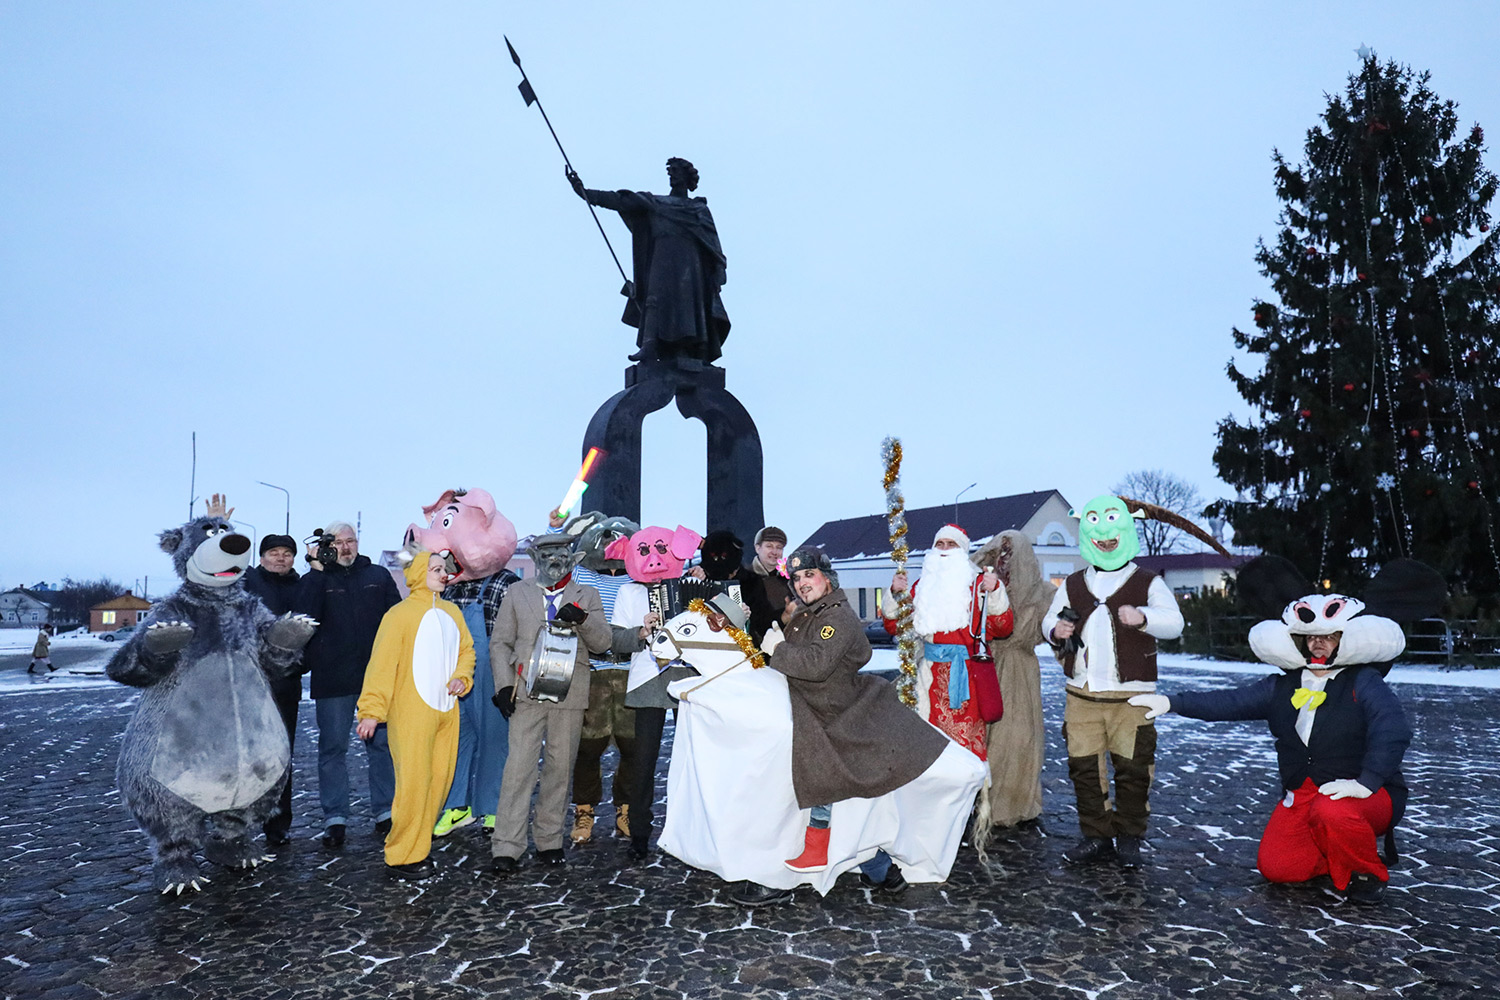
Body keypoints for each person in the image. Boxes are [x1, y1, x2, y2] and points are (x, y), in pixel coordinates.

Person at [1129, 594, 1411, 904]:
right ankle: (1334, 856)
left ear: (1346, 640)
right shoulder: (1283, 685)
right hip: (1304, 793)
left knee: (1332, 811)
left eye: (1330, 637)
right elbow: (1229, 702)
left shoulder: (1364, 681)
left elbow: (1393, 728)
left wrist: (1367, 781)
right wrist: (1173, 703)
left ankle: (1366, 875)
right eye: (1311, 637)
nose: (1319, 643)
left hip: (1366, 793)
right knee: (1279, 868)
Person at [730, 548, 955, 906]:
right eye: (798, 578)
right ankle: (883, 871)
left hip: (830, 714)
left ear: (828, 579)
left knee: (797, 787)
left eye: (810, 576)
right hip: (811, 704)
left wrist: (778, 649)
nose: (803, 583)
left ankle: (780, 873)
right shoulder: (811, 613)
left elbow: (817, 663)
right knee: (848, 808)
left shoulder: (838, 616)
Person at [1042, 495, 1184, 869]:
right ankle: (1096, 835)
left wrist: (1143, 617)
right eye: (1096, 525)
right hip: (1082, 695)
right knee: (1084, 768)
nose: (1105, 535)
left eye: (1111, 524)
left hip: (1132, 698)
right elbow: (1052, 621)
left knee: (1134, 768)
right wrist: (1055, 630)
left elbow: (1175, 622)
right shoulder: (1073, 584)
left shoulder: (1146, 581)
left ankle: (1130, 836)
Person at [488, 534, 612, 875]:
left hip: (570, 693)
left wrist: (584, 621)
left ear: (572, 557)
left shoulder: (587, 595)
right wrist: (504, 686)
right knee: (518, 769)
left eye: (561, 552)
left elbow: (603, 643)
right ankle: (507, 846)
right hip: (526, 693)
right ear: (536, 557)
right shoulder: (517, 592)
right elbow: (500, 642)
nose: (555, 558)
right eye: (547, 553)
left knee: (559, 769)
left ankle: (549, 841)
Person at [355, 552, 474, 879]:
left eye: (444, 569)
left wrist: (462, 678)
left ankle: (418, 848)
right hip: (411, 715)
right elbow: (381, 667)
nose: (444, 574)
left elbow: (466, 651)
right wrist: (371, 711)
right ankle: (401, 855)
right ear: (419, 573)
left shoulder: (453, 612)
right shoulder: (399, 615)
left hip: (448, 713)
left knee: (438, 784)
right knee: (412, 787)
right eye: (436, 569)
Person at [293, 520, 401, 849]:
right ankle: (335, 818)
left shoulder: (377, 576)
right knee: (332, 750)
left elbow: (396, 620)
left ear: (358, 543)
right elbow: (303, 617)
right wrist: (315, 571)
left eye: (350, 540)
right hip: (332, 678)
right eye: (337, 542)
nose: (345, 547)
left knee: (382, 748)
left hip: (376, 679)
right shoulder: (317, 579)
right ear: (327, 545)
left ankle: (386, 811)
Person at [568, 158, 729, 363]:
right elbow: (621, 200)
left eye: (677, 172)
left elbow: (713, 243)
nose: (672, 176)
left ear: (687, 177)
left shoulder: (698, 210)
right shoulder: (655, 202)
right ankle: (649, 345)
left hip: (690, 261)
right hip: (662, 256)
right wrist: (585, 192)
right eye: (670, 172)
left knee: (686, 304)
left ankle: (683, 349)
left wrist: (719, 269)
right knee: (655, 298)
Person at [547, 508, 641, 847]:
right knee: (588, 749)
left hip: (632, 672)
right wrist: (553, 527)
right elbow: (552, 565)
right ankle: (584, 810)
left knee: (633, 748)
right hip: (594, 673)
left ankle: (626, 808)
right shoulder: (583, 576)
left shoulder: (641, 578)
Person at [883, 525, 1011, 759]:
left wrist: (994, 593)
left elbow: (1003, 627)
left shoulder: (979, 584)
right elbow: (895, 627)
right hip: (928, 676)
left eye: (951, 544)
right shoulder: (921, 587)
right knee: (926, 744)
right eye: (939, 544)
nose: (944, 550)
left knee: (962, 749)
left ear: (962, 549)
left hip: (966, 678)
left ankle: (969, 794)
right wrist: (894, 594)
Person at [973, 530, 1056, 831]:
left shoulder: (1043, 594)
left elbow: (1057, 634)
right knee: (981, 736)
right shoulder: (980, 587)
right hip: (984, 664)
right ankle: (977, 801)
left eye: (1011, 552)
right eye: (1000, 551)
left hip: (1019, 672)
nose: (1005, 559)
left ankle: (1012, 802)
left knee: (1017, 737)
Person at [243, 533, 303, 846]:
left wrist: (299, 663)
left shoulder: (302, 586)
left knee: (281, 757)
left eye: (287, 553)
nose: (280, 558)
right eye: (274, 552)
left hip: (285, 684)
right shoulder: (247, 580)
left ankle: (277, 823)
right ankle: (234, 825)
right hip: (248, 683)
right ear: (262, 556)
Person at [735, 526, 793, 647]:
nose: (774, 552)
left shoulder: (791, 579)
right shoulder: (744, 579)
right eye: (769, 546)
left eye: (779, 547)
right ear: (757, 548)